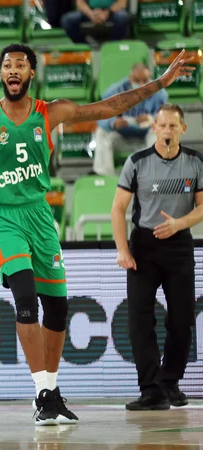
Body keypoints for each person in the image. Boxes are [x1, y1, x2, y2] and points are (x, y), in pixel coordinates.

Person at [0, 44, 193, 425]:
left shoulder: (51, 112)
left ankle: (51, 391)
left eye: (20, 65)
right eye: (7, 66)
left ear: (31, 73)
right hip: (1, 217)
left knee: (59, 308)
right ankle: (42, 393)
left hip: (39, 215)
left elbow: (109, 107)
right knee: (26, 299)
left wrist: (161, 82)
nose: (13, 70)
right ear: (0, 75)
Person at [111, 104, 201, 411]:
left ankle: (170, 383)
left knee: (182, 319)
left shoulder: (195, 162)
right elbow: (118, 209)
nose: (167, 131)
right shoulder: (137, 162)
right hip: (144, 247)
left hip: (179, 243)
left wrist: (179, 223)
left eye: (173, 126)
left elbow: (202, 206)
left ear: (182, 129)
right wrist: (123, 250)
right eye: (162, 126)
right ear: (155, 128)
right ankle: (150, 389)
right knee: (140, 319)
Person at [92, 63, 167, 176]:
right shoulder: (116, 91)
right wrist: (112, 123)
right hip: (121, 138)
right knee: (101, 132)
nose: (141, 84)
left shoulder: (159, 94)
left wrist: (152, 119)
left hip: (146, 141)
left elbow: (166, 119)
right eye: (137, 80)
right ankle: (104, 176)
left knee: (160, 132)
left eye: (145, 80)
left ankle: (154, 174)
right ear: (130, 78)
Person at [61, 0, 130, 44]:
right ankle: (85, 45)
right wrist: (91, 14)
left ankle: (111, 45)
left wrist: (107, 13)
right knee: (67, 20)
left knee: (123, 17)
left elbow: (122, 2)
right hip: (90, 12)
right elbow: (80, 2)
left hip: (112, 12)